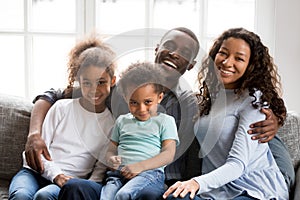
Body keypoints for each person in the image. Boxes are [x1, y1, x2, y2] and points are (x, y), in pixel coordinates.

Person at [25, 27, 287, 200]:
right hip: (115, 177)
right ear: (157, 48)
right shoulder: (124, 86)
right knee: (74, 188)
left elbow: (250, 140)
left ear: (192, 64)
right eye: (170, 45)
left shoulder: (193, 104)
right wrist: (35, 133)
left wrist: (277, 119)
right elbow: (56, 94)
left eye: (184, 53)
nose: (174, 53)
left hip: (159, 182)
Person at [163, 27, 289, 200]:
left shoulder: (253, 100)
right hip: (217, 188)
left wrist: (195, 183)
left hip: (251, 188)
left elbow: (238, 164)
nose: (227, 63)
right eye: (223, 53)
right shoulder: (211, 97)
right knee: (173, 197)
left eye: (239, 58)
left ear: (251, 65)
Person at [8, 35, 117, 200]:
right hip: (34, 172)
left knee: (44, 196)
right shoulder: (61, 107)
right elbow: (39, 152)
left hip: (69, 180)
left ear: (113, 81)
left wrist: (85, 185)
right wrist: (56, 175)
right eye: (87, 83)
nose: (94, 89)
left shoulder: (111, 124)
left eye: (101, 82)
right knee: (21, 195)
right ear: (78, 81)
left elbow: (100, 167)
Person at [100, 62, 179, 200]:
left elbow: (168, 154)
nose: (141, 109)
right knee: (106, 197)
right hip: (119, 174)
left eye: (148, 102)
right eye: (134, 102)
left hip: (149, 174)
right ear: (125, 98)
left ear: (159, 98)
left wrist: (140, 166)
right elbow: (111, 150)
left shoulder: (165, 121)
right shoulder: (122, 121)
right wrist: (111, 159)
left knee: (124, 195)